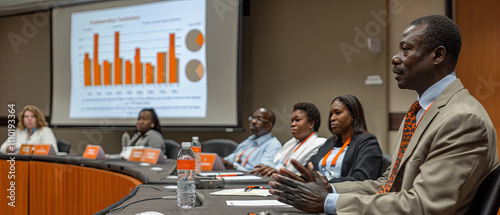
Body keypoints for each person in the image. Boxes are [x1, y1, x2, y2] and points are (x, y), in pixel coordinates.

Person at [269, 15, 499, 214]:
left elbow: (424, 206)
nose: (395, 58)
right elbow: (387, 185)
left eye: (406, 49)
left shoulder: (463, 119)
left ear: (437, 55)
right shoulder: (420, 112)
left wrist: (326, 202)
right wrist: (330, 189)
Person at [282, 95, 383, 183]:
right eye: (331, 114)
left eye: (337, 113)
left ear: (353, 115)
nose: (332, 118)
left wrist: (325, 183)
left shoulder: (367, 142)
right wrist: (292, 179)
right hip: (316, 195)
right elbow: (308, 169)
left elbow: (362, 179)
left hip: (343, 198)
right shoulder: (330, 142)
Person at [250, 102, 327, 176]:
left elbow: (304, 172)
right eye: (292, 121)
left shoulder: (319, 144)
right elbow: (277, 162)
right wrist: (266, 169)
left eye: (297, 120)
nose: (292, 124)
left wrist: (278, 172)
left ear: (311, 124)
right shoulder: (292, 142)